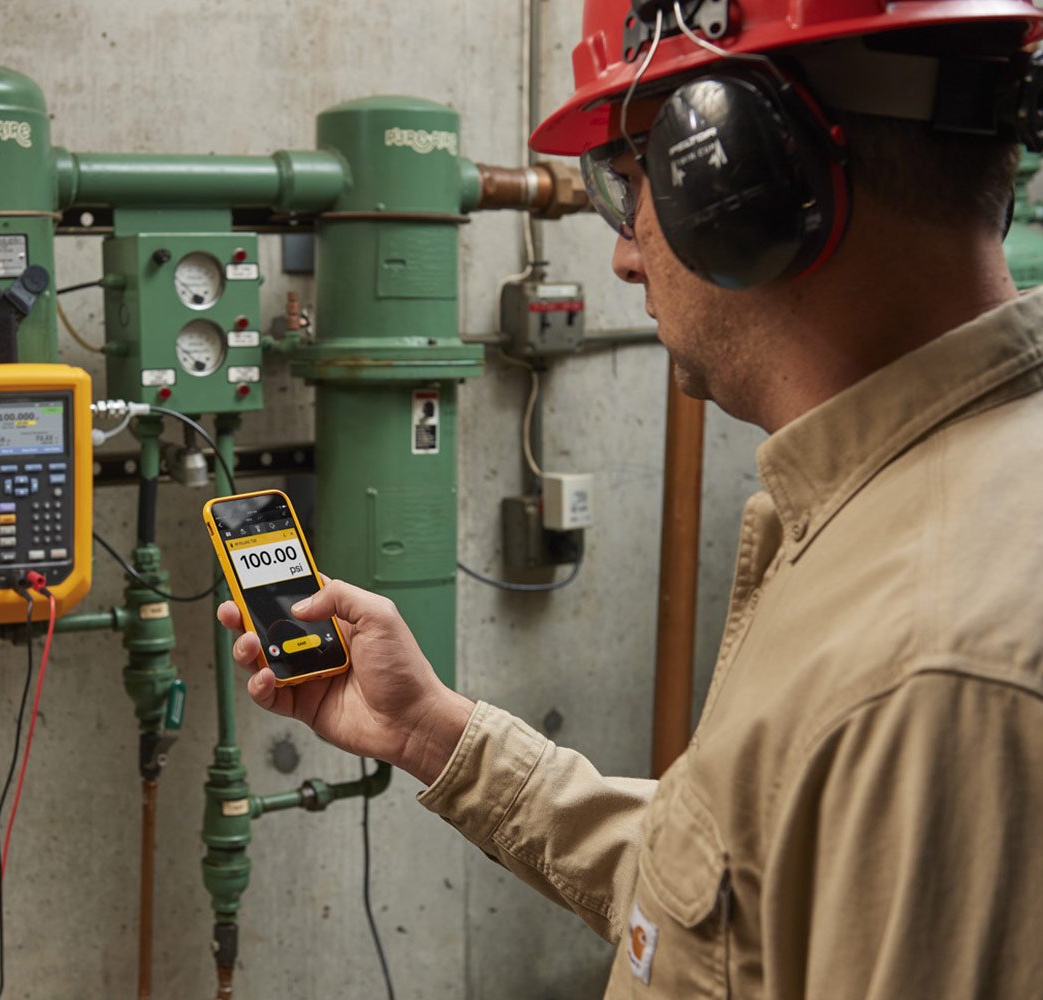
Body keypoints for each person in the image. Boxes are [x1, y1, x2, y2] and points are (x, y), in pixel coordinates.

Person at [218, 1, 1043, 995]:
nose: (621, 253)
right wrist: (433, 730)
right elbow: (732, 905)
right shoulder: (905, 511)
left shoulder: (932, 667)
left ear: (743, 172)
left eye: (632, 181)